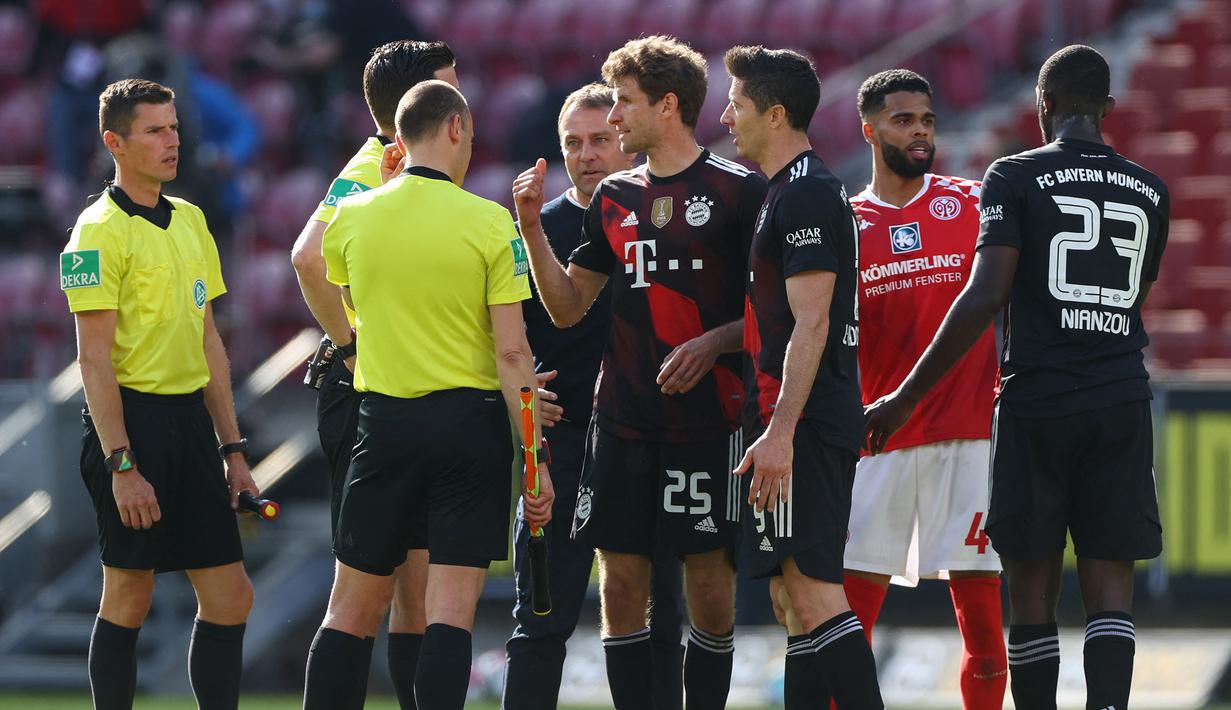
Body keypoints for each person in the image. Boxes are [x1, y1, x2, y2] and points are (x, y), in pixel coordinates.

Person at [865, 45, 1168, 710]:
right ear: (1106, 109)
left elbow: (984, 296)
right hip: (1120, 397)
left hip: (1037, 399)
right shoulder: (1151, 189)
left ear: (1044, 106)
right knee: (1109, 590)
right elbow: (1134, 291)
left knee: (1030, 588)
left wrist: (902, 397)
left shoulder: (1013, 175)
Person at [513, 35, 766, 710]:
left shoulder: (740, 191)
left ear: (667, 105)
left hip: (708, 422)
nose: (615, 116)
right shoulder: (615, 197)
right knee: (620, 585)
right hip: (621, 420)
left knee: (708, 588)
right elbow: (567, 310)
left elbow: (782, 313)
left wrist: (714, 342)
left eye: (624, 102)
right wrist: (533, 231)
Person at [303, 79, 554, 710]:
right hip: (469, 429)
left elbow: (347, 295)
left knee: (349, 610)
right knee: (449, 615)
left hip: (382, 423)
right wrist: (534, 460)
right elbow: (513, 354)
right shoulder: (491, 222)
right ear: (455, 129)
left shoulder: (353, 218)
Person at [60, 78, 257, 710]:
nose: (173, 141)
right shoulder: (95, 232)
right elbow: (93, 361)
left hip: (191, 426)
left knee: (230, 597)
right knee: (128, 596)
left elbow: (208, 344)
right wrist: (123, 465)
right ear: (115, 142)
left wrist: (233, 451)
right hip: (131, 428)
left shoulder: (192, 219)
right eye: (154, 130)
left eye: (173, 127)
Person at [502, 83, 686, 710]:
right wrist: (524, 404)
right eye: (572, 144)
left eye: (600, 139)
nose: (587, 154)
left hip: (653, 439)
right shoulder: (532, 230)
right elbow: (498, 340)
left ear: (626, 137)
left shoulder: (668, 217)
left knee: (660, 617)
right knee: (542, 619)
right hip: (563, 441)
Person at [289, 40, 457, 708]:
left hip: (402, 385)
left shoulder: (418, 169)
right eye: (449, 86)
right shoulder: (373, 168)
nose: (462, 100)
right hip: (369, 387)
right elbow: (308, 257)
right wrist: (354, 346)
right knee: (364, 590)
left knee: (411, 591)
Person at [719, 46, 884, 710]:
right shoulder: (784, 190)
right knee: (790, 595)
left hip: (803, 420)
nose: (726, 116)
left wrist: (781, 431)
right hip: (782, 416)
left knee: (813, 590)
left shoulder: (809, 191)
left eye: (736, 103)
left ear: (774, 112)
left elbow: (811, 323)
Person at [845, 69, 1007, 710]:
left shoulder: (971, 203)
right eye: (903, 120)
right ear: (869, 128)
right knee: (847, 629)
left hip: (970, 440)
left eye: (928, 120)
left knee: (987, 639)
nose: (919, 132)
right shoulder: (844, 223)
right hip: (876, 441)